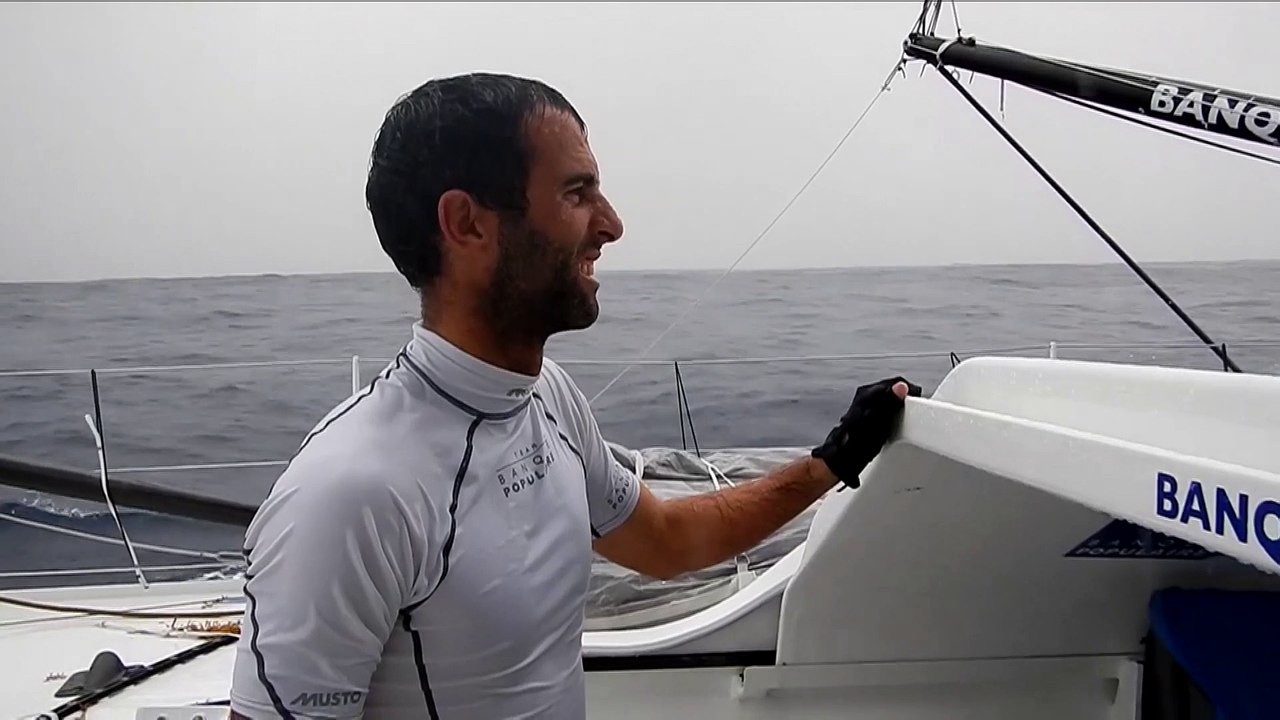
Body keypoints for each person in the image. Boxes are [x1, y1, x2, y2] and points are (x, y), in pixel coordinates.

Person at [228, 72, 915, 720]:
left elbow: (666, 541)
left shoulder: (546, 399)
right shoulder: (352, 493)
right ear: (467, 223)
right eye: (576, 194)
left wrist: (832, 460)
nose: (611, 225)